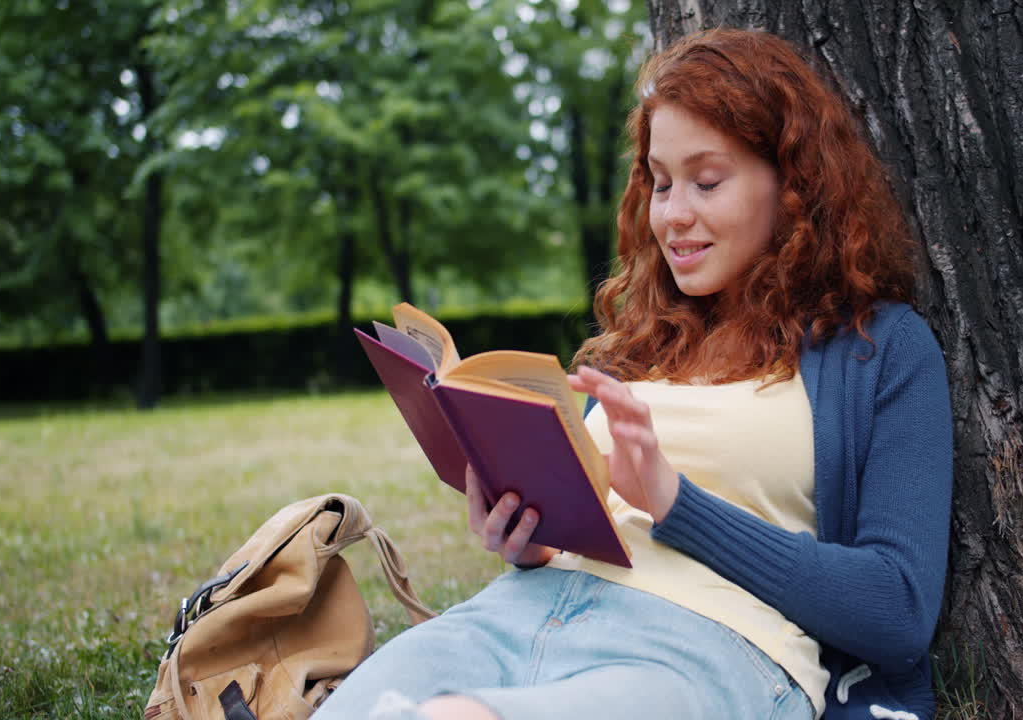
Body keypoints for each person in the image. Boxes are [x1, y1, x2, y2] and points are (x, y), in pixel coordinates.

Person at [316, 27, 952, 720]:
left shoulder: (879, 347)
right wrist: (526, 541)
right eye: (662, 181)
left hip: (701, 648)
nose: (673, 215)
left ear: (793, 183)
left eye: (707, 182)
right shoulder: (643, 339)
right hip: (517, 615)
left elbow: (897, 610)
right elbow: (590, 525)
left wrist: (676, 503)